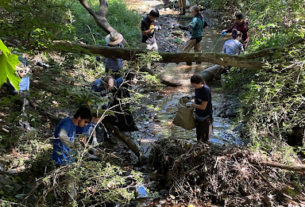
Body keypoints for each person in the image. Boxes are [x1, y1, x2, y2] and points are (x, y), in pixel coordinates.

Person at [189, 74, 213, 143]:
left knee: (205, 137)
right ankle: (199, 147)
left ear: (200, 83)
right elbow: (197, 100)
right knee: (199, 136)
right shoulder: (197, 89)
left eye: (195, 85)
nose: (194, 87)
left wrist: (192, 105)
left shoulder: (205, 91)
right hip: (198, 115)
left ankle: (206, 149)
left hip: (205, 116)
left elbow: (203, 107)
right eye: (193, 85)